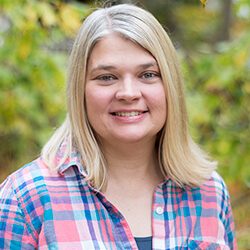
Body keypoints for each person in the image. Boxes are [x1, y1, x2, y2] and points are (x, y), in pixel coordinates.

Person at [0, 3, 237, 250]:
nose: (128, 93)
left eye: (147, 75)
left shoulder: (209, 192)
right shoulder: (25, 199)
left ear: (170, 85)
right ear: (79, 89)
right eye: (106, 77)